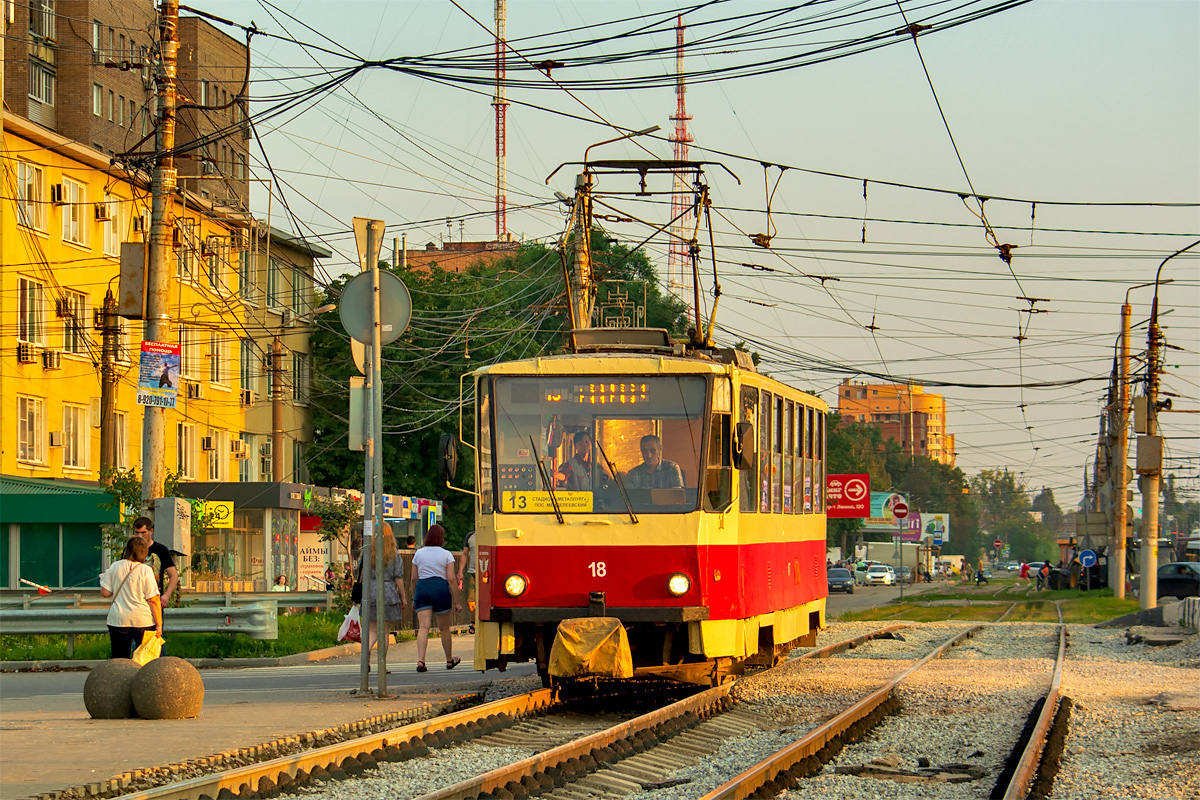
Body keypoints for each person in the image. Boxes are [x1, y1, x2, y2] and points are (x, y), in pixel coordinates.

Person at [409, 524, 462, 672]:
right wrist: (457, 602)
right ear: (441, 538)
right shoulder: (446, 554)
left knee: (423, 627)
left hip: (423, 588)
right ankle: (449, 660)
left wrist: (414, 597)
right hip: (440, 589)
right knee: (444, 628)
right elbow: (451, 579)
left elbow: (414, 578)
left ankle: (421, 661)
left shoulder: (418, 554)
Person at [99, 538, 163, 659]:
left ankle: (122, 677)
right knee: (143, 659)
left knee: (120, 659)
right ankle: (140, 677)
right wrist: (159, 624)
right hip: (143, 620)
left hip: (118, 619)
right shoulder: (146, 570)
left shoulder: (115, 566)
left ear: (127, 549)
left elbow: (105, 592)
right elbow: (153, 600)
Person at [359, 524, 406, 657]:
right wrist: (403, 596)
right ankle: (382, 664)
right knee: (384, 632)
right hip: (388, 593)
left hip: (370, 592)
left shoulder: (367, 552)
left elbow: (361, 575)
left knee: (372, 630)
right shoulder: (394, 554)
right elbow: (398, 577)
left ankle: (365, 657)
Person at [132, 517, 179, 608]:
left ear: (151, 531)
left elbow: (173, 575)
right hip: (134, 600)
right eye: (137, 533)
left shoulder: (161, 549)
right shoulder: (130, 549)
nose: (140, 536)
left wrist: (166, 595)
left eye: (143, 533)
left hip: (155, 600)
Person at [458, 530, 477, 635]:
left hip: (485, 572)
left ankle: (476, 622)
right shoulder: (470, 536)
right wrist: (460, 571)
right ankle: (477, 621)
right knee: (470, 601)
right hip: (472, 572)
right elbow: (465, 554)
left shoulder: (490, 533)